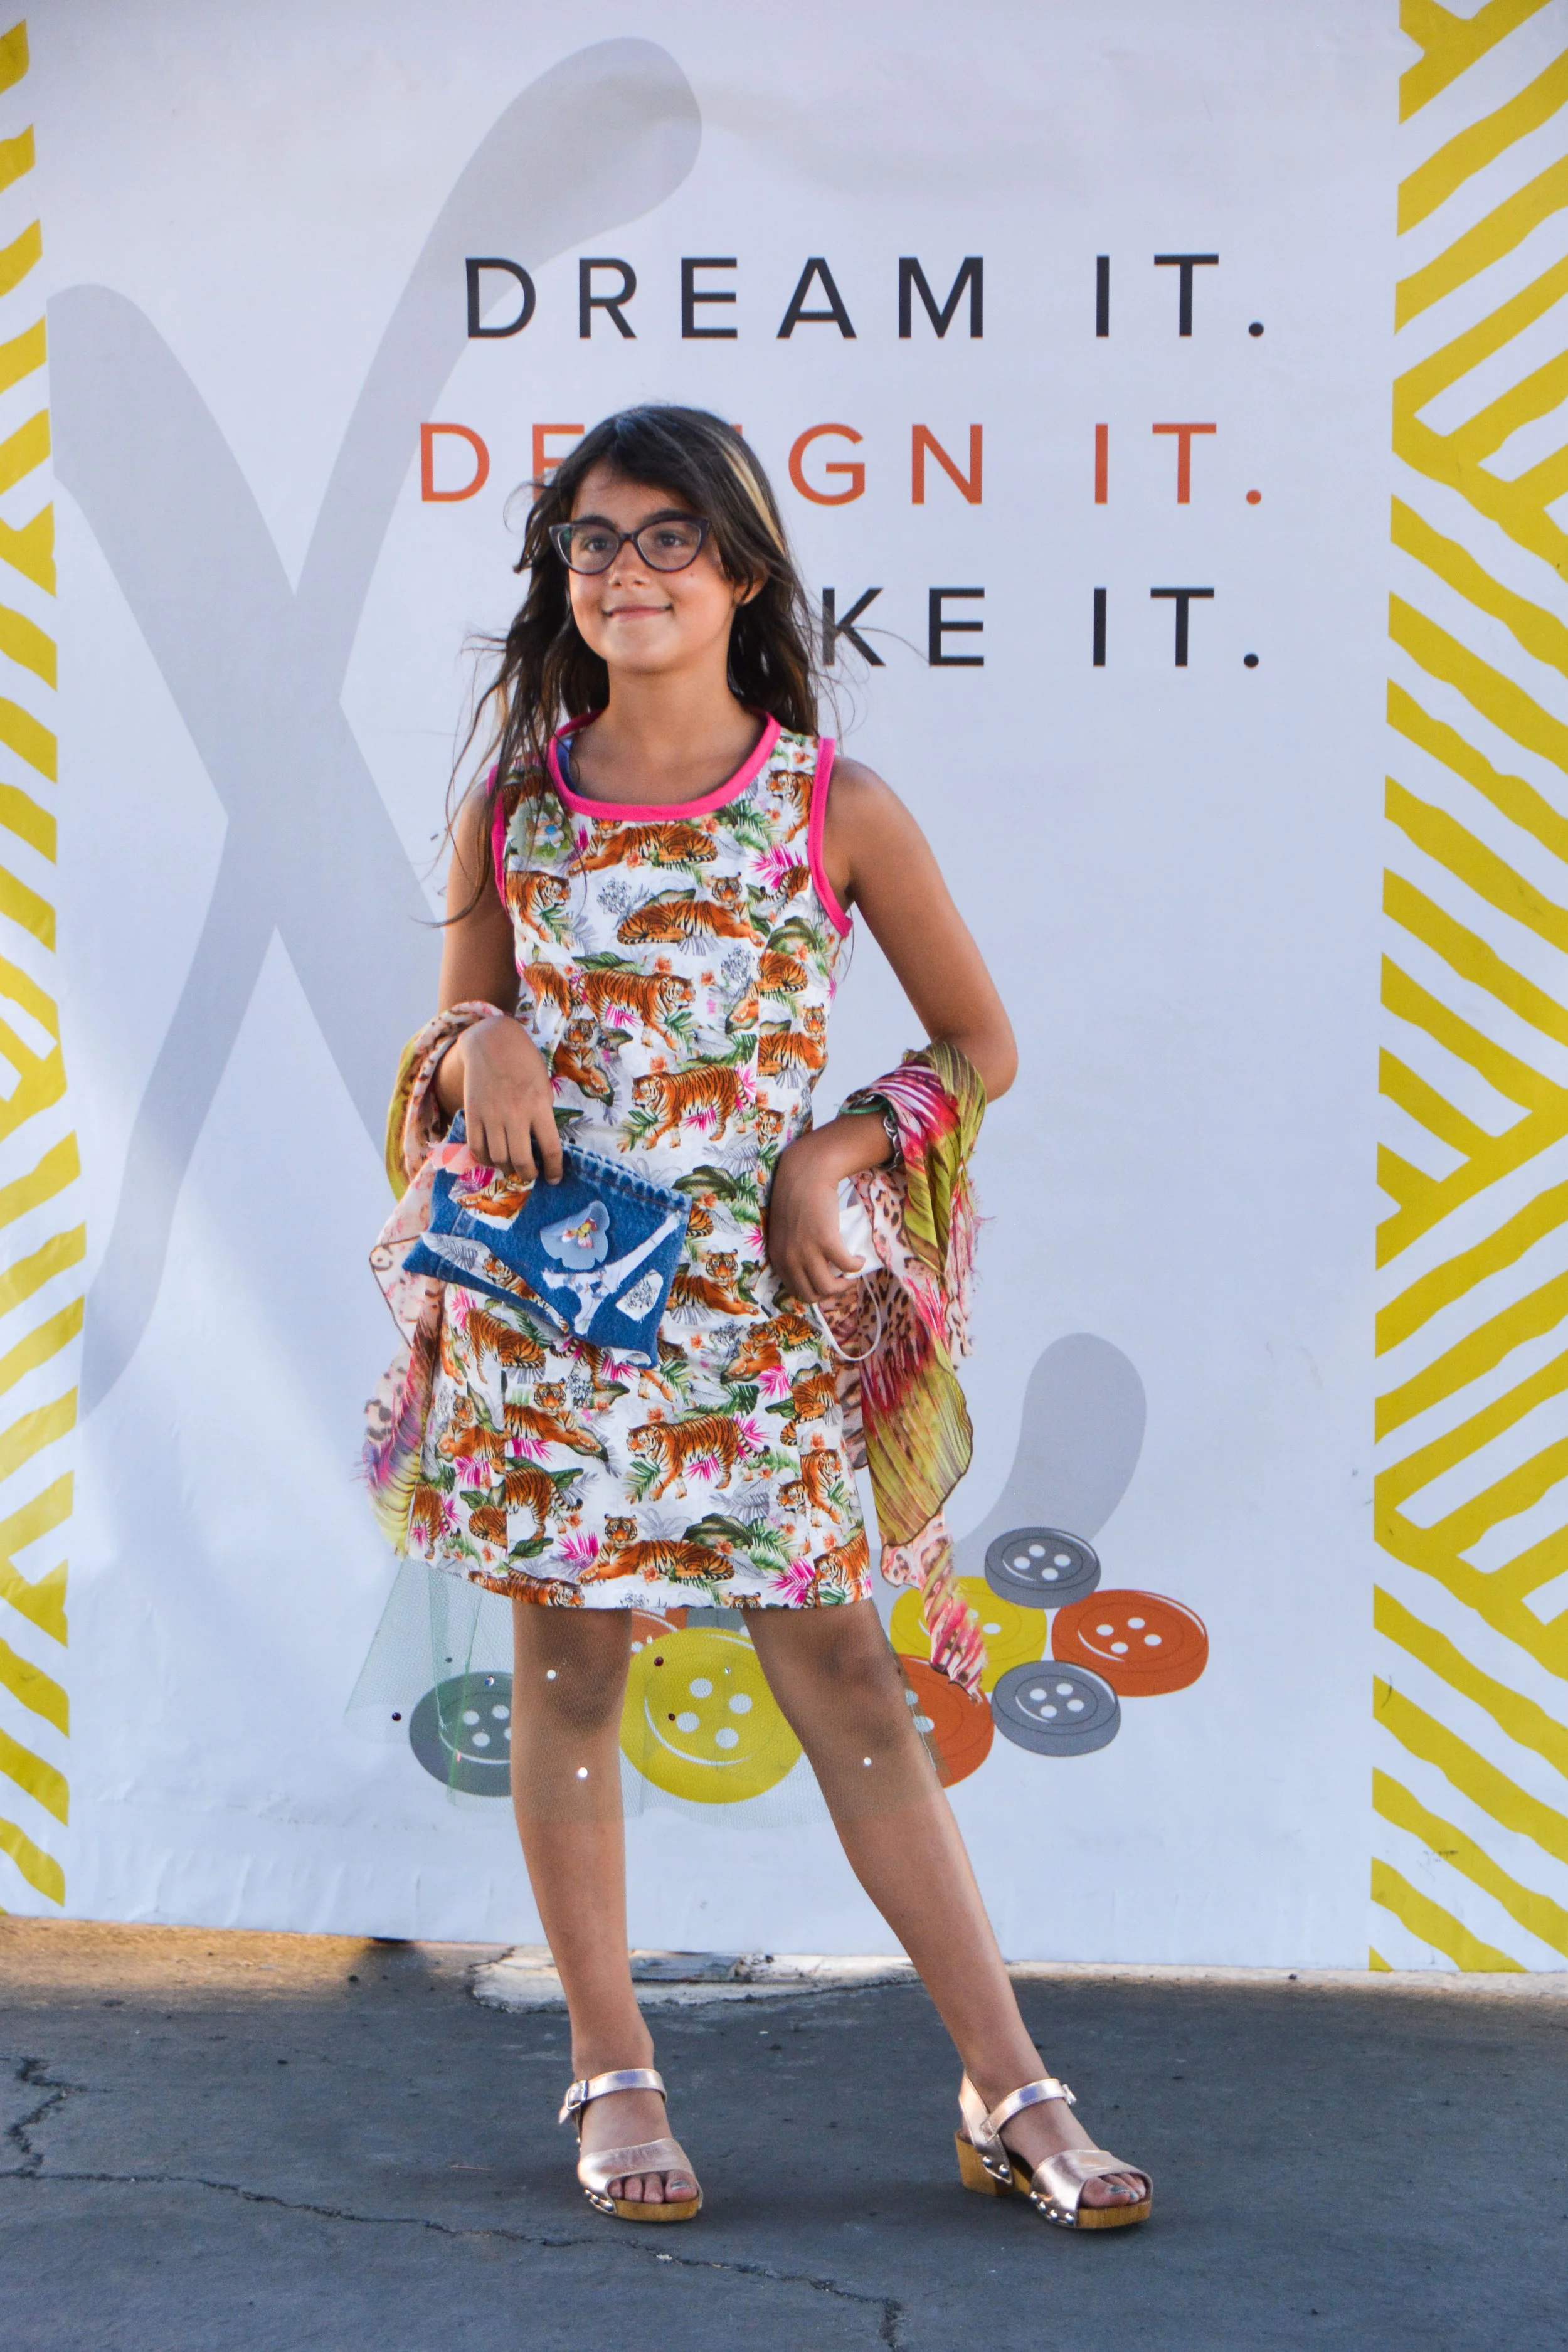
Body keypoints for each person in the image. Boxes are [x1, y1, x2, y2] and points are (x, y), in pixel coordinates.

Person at [381, 405, 1150, 2230]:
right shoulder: (515, 804)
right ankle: (613, 2063)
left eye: (665, 539)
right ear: (558, 580)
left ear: (739, 570)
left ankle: (1007, 2082)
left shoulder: (831, 805)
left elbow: (983, 1041)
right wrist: (474, 1036)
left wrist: (845, 1145)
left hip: (760, 1317)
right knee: (566, 1673)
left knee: (852, 1686)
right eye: (590, 541)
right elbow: (436, 1051)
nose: (624, 570)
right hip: (559, 1310)